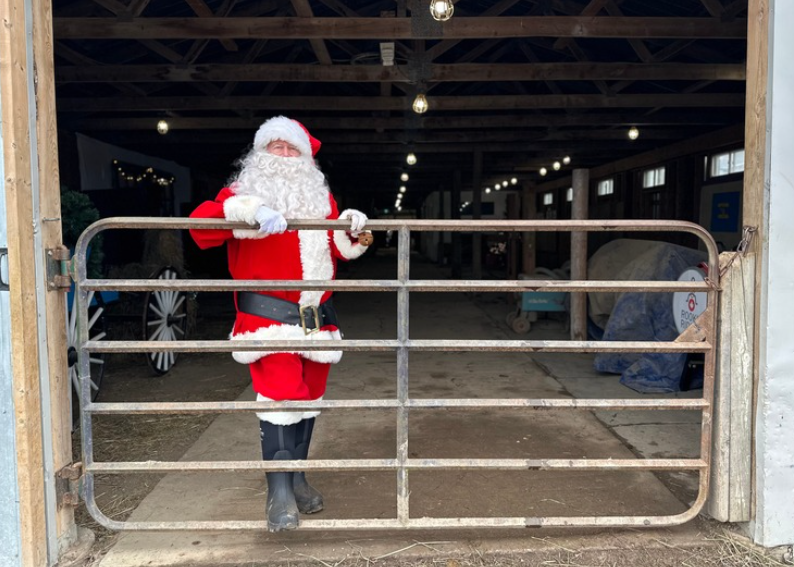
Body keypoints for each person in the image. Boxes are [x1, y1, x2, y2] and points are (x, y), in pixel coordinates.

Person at [188, 116, 371, 532]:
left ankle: (297, 478)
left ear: (307, 159)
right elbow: (200, 226)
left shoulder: (320, 199)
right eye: (277, 147)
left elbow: (338, 250)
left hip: (318, 319)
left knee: (309, 398)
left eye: (292, 149)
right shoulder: (242, 192)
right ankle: (279, 493)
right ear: (261, 153)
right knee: (282, 397)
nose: (285, 155)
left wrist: (351, 227)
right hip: (267, 319)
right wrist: (246, 212)